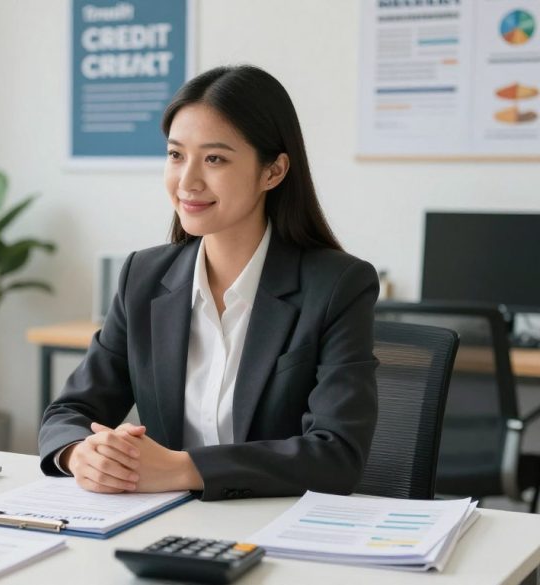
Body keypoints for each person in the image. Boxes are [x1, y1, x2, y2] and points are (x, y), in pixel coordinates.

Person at [39, 65, 379, 501]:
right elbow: (70, 411)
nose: (187, 181)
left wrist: (183, 468)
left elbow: (337, 457)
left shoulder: (338, 286)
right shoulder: (143, 277)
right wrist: (79, 453)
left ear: (273, 172)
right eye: (176, 155)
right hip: (160, 521)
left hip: (274, 530)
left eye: (214, 159)